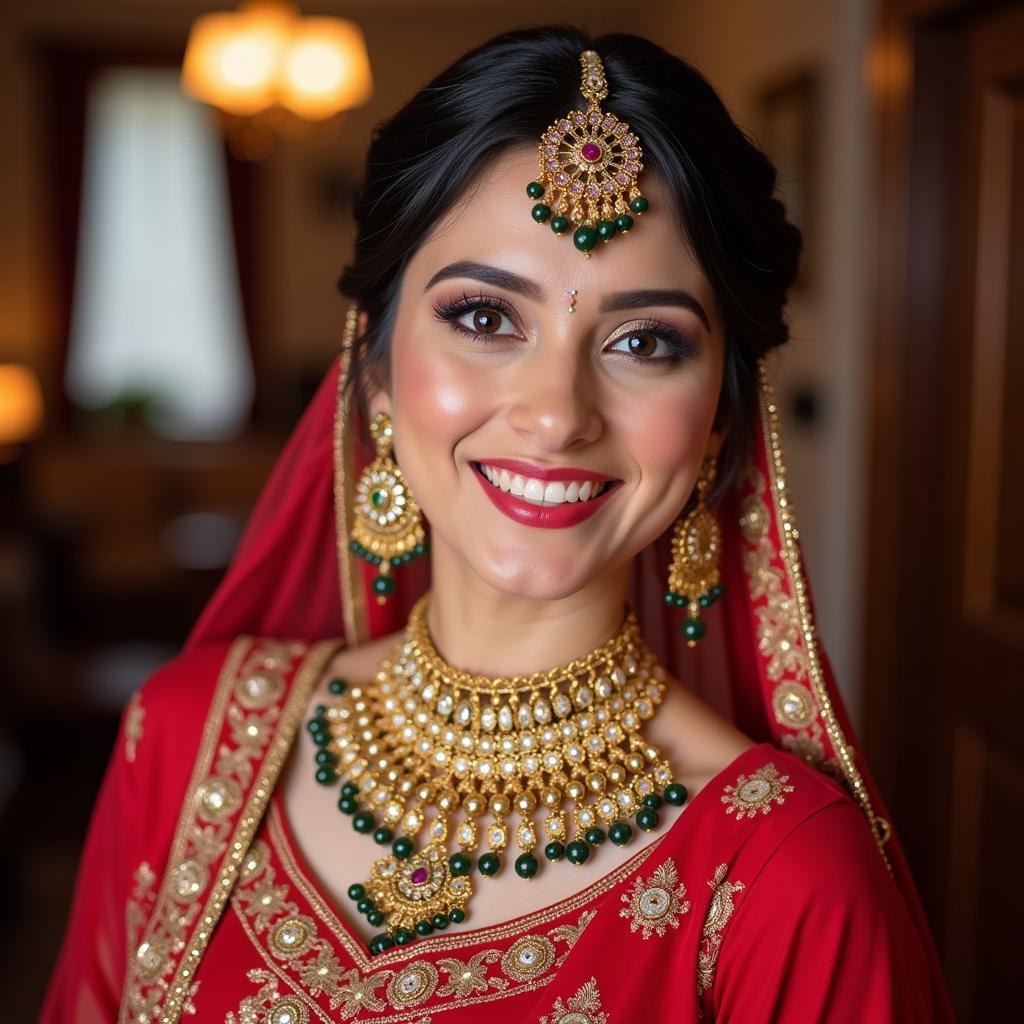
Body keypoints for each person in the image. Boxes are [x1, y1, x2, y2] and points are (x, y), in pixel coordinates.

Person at [42, 26, 952, 1023]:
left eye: (643, 341)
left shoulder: (789, 875)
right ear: (378, 377)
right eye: (484, 318)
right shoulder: (190, 737)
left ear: (716, 428)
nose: (556, 413)